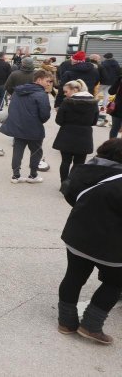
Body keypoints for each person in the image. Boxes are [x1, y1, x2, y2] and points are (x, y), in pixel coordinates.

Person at [57, 138, 122, 344]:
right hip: (112, 245)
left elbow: (70, 194)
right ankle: (91, 326)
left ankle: (66, 322)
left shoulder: (83, 170)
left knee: (74, 276)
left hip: (77, 235)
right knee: (114, 283)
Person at [0, 69, 53, 183]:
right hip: (34, 128)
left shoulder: (18, 91)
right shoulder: (42, 94)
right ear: (39, 80)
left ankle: (16, 175)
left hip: (18, 126)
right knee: (36, 151)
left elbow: (11, 109)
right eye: (48, 81)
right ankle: (33, 175)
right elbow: (45, 114)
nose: (49, 83)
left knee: (18, 150)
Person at [53, 80, 98, 184]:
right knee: (79, 163)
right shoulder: (93, 103)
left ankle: (64, 183)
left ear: (75, 89)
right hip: (84, 136)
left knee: (65, 161)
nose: (65, 94)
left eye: (66, 91)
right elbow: (94, 121)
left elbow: (58, 120)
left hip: (66, 134)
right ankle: (72, 183)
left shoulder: (66, 102)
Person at [109, 73, 122, 139]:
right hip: (118, 108)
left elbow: (111, 91)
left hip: (118, 108)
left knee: (114, 129)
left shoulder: (120, 79)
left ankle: (112, 147)